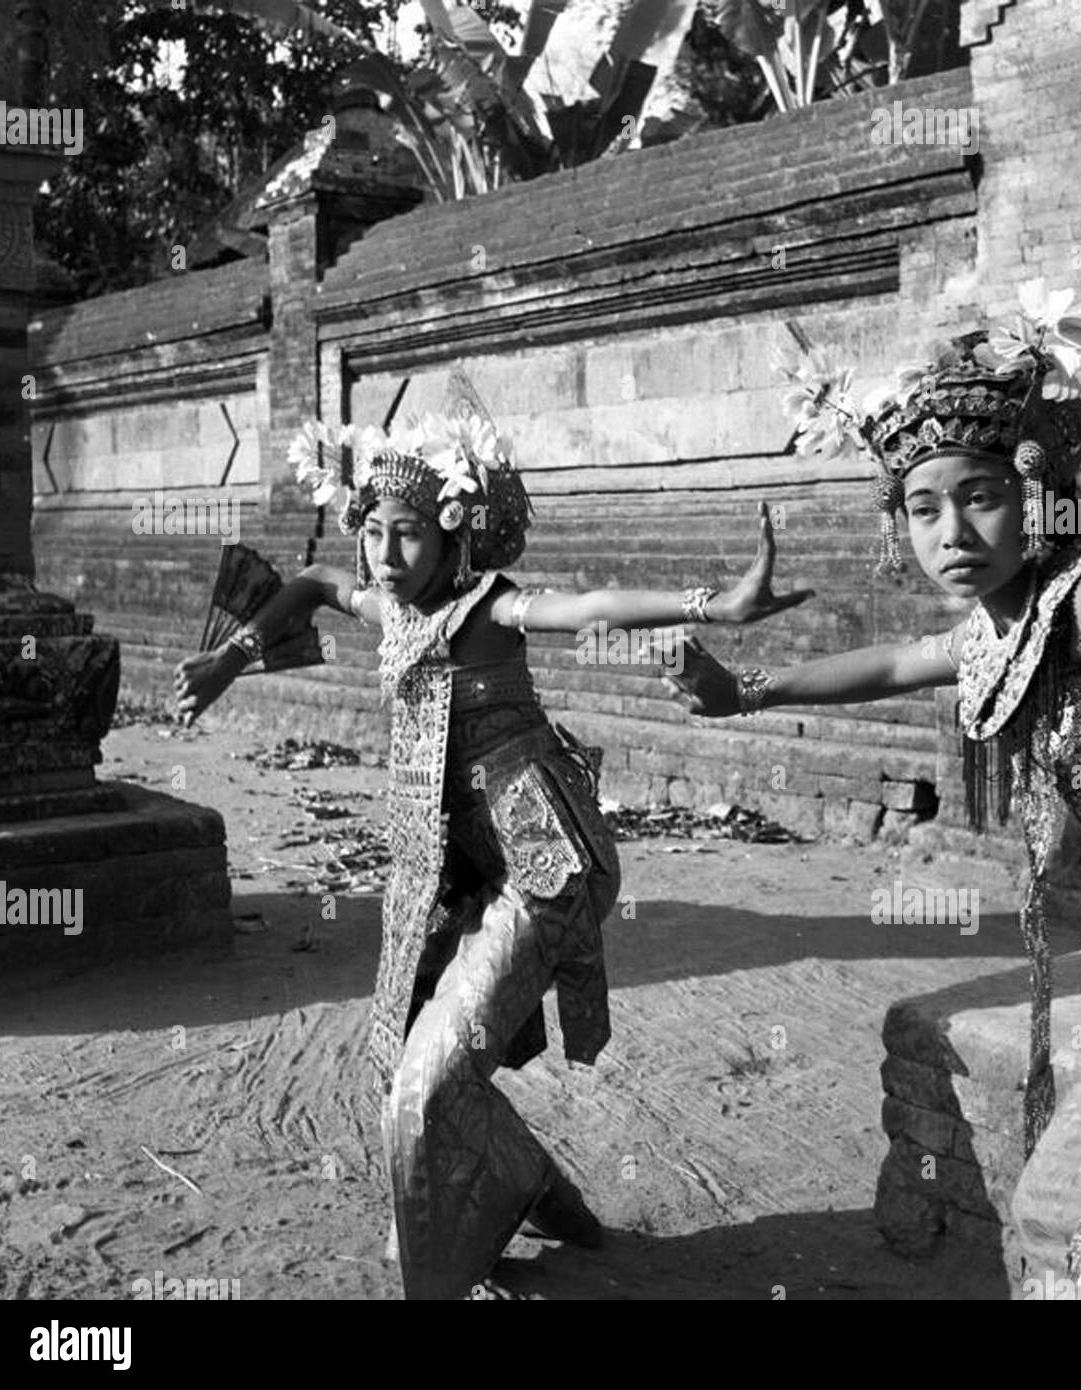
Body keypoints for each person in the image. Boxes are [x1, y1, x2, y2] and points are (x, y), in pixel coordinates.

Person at [662, 284, 1081, 1298]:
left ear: (1033, 494)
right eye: (921, 506)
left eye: (978, 495)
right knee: (1066, 1220)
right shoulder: (987, 634)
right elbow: (886, 663)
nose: (950, 529)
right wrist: (742, 692)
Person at [173, 398, 809, 1299]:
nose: (385, 558)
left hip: (545, 865)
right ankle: (540, 1192)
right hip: (453, 871)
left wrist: (717, 603)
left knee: (423, 1096)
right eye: (375, 533)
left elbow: (586, 605)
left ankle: (445, 1272)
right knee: (406, 1062)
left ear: (452, 539)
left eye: (409, 537)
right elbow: (314, 583)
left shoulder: (487, 607)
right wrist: (235, 655)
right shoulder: (388, 605)